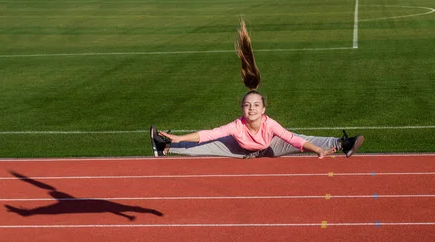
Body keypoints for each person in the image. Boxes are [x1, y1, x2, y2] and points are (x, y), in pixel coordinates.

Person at [150, 19, 364, 159]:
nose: (251, 109)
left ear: (263, 110)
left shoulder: (269, 124)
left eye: (256, 105)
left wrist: (318, 150)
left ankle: (343, 143)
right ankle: (166, 147)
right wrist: (179, 137)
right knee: (210, 144)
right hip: (240, 148)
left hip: (271, 146)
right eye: (247, 105)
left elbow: (292, 139)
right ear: (242, 109)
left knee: (299, 138)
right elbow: (209, 133)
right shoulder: (237, 126)